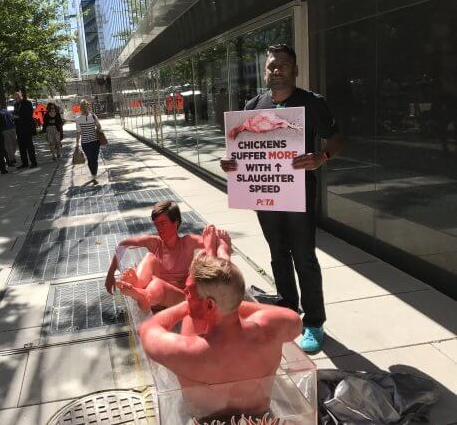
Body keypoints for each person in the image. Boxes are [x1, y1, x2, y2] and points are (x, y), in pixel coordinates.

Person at [220, 44, 343, 353]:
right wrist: (231, 164)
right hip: (266, 193)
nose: (277, 70)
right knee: (277, 252)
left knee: (304, 256)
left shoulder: (312, 103)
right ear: (265, 71)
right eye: (271, 66)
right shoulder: (252, 106)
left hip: (299, 191)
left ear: (295, 70)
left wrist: (321, 156)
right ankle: (289, 307)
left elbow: (337, 138)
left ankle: (314, 321)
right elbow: (242, 151)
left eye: (283, 65)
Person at [139, 231, 302, 421]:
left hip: (204, 420)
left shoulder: (191, 351)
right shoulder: (270, 330)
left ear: (209, 304)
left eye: (189, 291)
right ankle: (219, 261)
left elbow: (147, 330)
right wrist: (230, 300)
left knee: (196, 321)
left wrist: (185, 307)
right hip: (259, 419)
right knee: (211, 309)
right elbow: (293, 319)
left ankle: (216, 260)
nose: (185, 292)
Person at [106, 201, 228, 312]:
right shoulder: (154, 243)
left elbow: (215, 243)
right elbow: (122, 245)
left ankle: (139, 292)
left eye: (162, 223)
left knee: (201, 257)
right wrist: (110, 274)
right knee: (150, 258)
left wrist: (220, 242)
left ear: (175, 223)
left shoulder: (187, 243)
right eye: (156, 224)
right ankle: (137, 285)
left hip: (178, 299)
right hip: (155, 298)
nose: (159, 229)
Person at [75, 100, 101, 181]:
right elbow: (78, 132)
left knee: (95, 159)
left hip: (95, 141)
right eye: (85, 105)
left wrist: (98, 125)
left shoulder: (93, 116)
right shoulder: (78, 118)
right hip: (85, 143)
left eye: (88, 105)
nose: (87, 106)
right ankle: (93, 174)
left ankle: (94, 174)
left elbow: (99, 126)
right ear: (82, 107)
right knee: (90, 159)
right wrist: (77, 144)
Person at [12, 92, 37, 168]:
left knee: (29, 146)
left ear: (20, 96)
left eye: (17, 98)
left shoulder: (27, 103)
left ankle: (33, 162)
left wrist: (18, 117)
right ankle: (24, 163)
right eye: (15, 98)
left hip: (27, 127)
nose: (15, 100)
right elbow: (15, 113)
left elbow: (29, 114)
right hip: (19, 128)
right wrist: (13, 117)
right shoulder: (16, 105)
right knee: (21, 146)